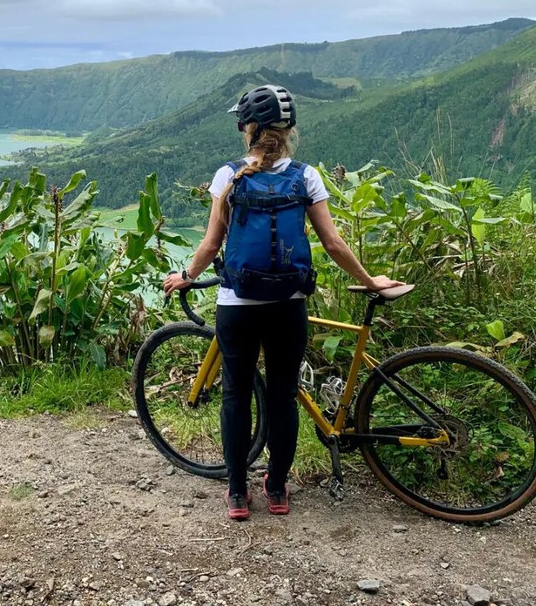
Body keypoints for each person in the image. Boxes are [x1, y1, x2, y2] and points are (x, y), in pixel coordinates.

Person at [162, 84, 403, 521]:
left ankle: (237, 493)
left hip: (237, 304)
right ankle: (276, 489)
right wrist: (370, 280)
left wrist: (186, 276)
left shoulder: (228, 175)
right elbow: (332, 243)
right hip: (288, 303)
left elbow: (212, 242)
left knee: (235, 395)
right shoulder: (307, 176)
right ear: (289, 130)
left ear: (247, 129)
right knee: (282, 396)